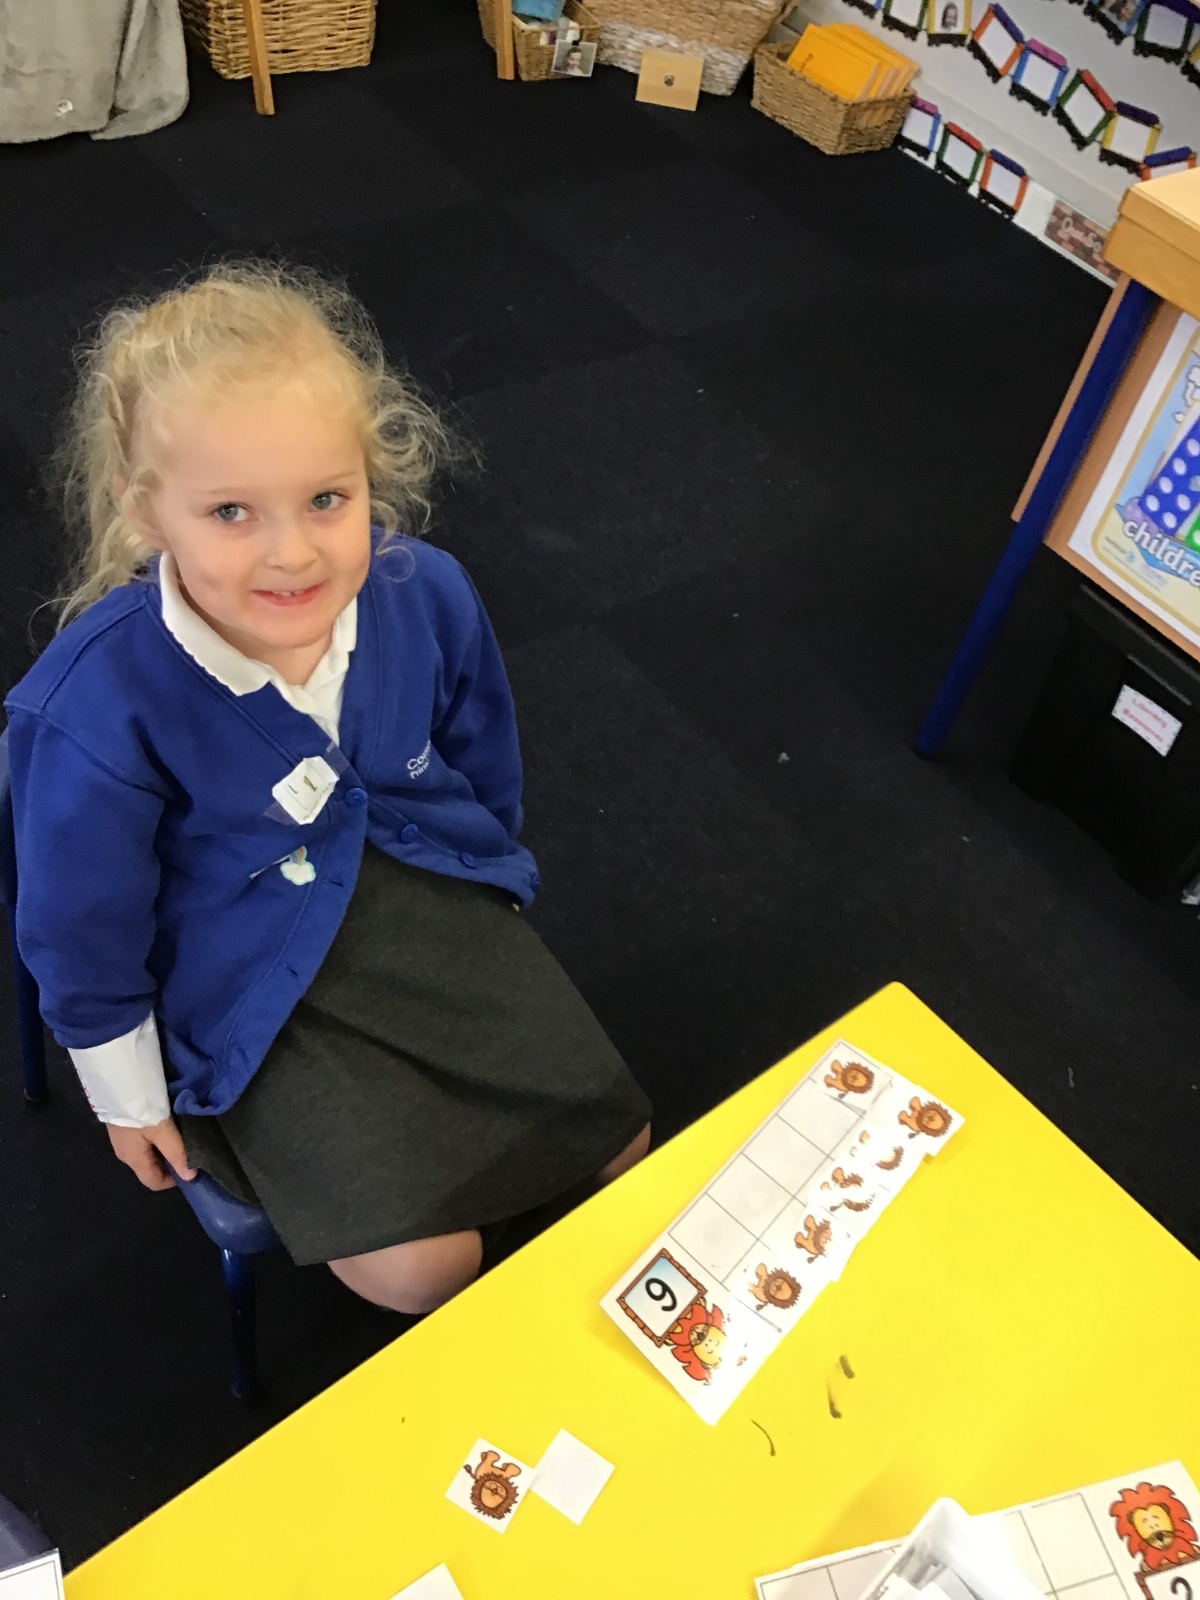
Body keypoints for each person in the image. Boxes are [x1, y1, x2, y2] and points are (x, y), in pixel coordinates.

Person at [5, 263, 652, 1316]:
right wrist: (125, 1096)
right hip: (233, 965)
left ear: (369, 475)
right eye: (230, 511)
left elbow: (481, 757)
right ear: (146, 512)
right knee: (426, 1269)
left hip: (412, 895)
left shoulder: (424, 591)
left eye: (326, 499)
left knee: (622, 1143)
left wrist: (486, 888)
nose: (294, 554)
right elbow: (79, 927)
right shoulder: (95, 706)